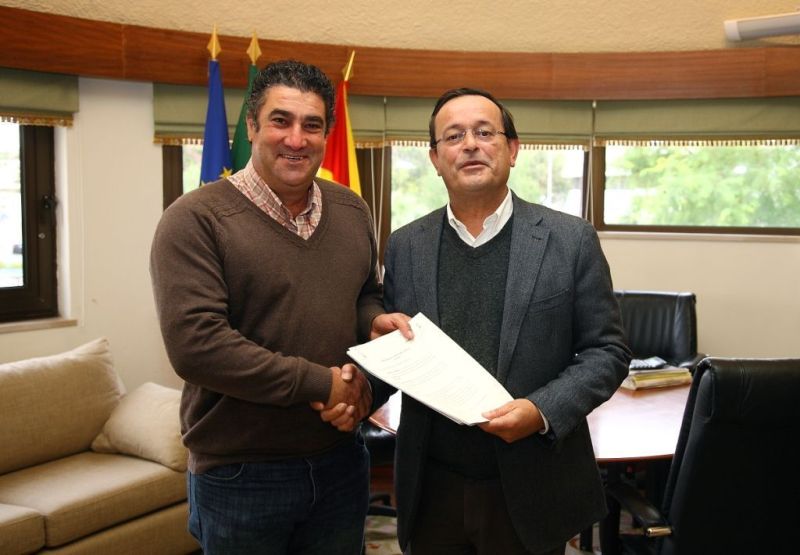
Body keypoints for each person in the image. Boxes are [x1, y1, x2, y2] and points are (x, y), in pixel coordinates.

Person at [150, 59, 409, 555]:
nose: (296, 139)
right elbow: (197, 347)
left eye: (312, 125)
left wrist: (373, 323)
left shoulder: (352, 210)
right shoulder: (194, 219)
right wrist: (324, 384)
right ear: (252, 126)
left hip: (341, 460)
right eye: (280, 121)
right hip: (242, 473)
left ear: (326, 134)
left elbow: (364, 294)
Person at [371, 88, 631, 554]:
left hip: (533, 485)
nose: (470, 144)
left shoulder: (570, 239)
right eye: (454, 136)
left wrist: (541, 411)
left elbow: (607, 352)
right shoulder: (405, 245)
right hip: (432, 489)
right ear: (435, 158)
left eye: (484, 132)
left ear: (512, 149)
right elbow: (395, 347)